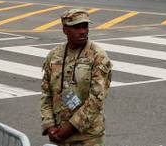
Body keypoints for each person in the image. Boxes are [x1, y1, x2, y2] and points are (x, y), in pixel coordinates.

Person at [40, 8, 112, 146]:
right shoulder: (54, 55)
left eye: (85, 26)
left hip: (88, 137)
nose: (83, 31)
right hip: (59, 134)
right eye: (76, 27)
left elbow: (96, 100)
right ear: (65, 30)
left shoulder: (98, 56)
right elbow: (46, 93)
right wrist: (49, 126)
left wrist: (68, 129)